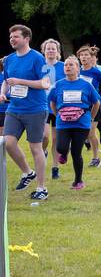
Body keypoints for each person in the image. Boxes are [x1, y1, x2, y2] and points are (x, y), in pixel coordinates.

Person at [3, 24, 52, 200]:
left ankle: (41, 188)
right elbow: (8, 81)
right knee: (8, 143)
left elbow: (45, 83)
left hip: (35, 109)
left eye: (16, 36)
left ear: (26, 39)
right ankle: (27, 172)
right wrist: (2, 92)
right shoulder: (8, 59)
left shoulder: (37, 58)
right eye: (10, 37)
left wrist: (21, 81)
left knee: (35, 148)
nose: (12, 39)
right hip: (14, 108)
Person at [49, 56, 100, 190]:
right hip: (63, 123)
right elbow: (52, 102)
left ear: (78, 68)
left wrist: (90, 118)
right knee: (61, 147)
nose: (68, 67)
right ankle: (64, 154)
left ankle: (78, 181)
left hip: (81, 124)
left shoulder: (86, 85)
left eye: (71, 65)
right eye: (66, 65)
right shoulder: (58, 84)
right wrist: (57, 114)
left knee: (76, 152)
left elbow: (96, 103)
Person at [75, 46, 101, 168]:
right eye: (81, 55)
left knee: (90, 132)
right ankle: (76, 156)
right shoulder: (77, 71)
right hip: (79, 105)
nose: (84, 57)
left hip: (93, 106)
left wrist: (99, 97)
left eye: (86, 55)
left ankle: (96, 158)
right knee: (78, 131)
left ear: (91, 57)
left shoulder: (97, 72)